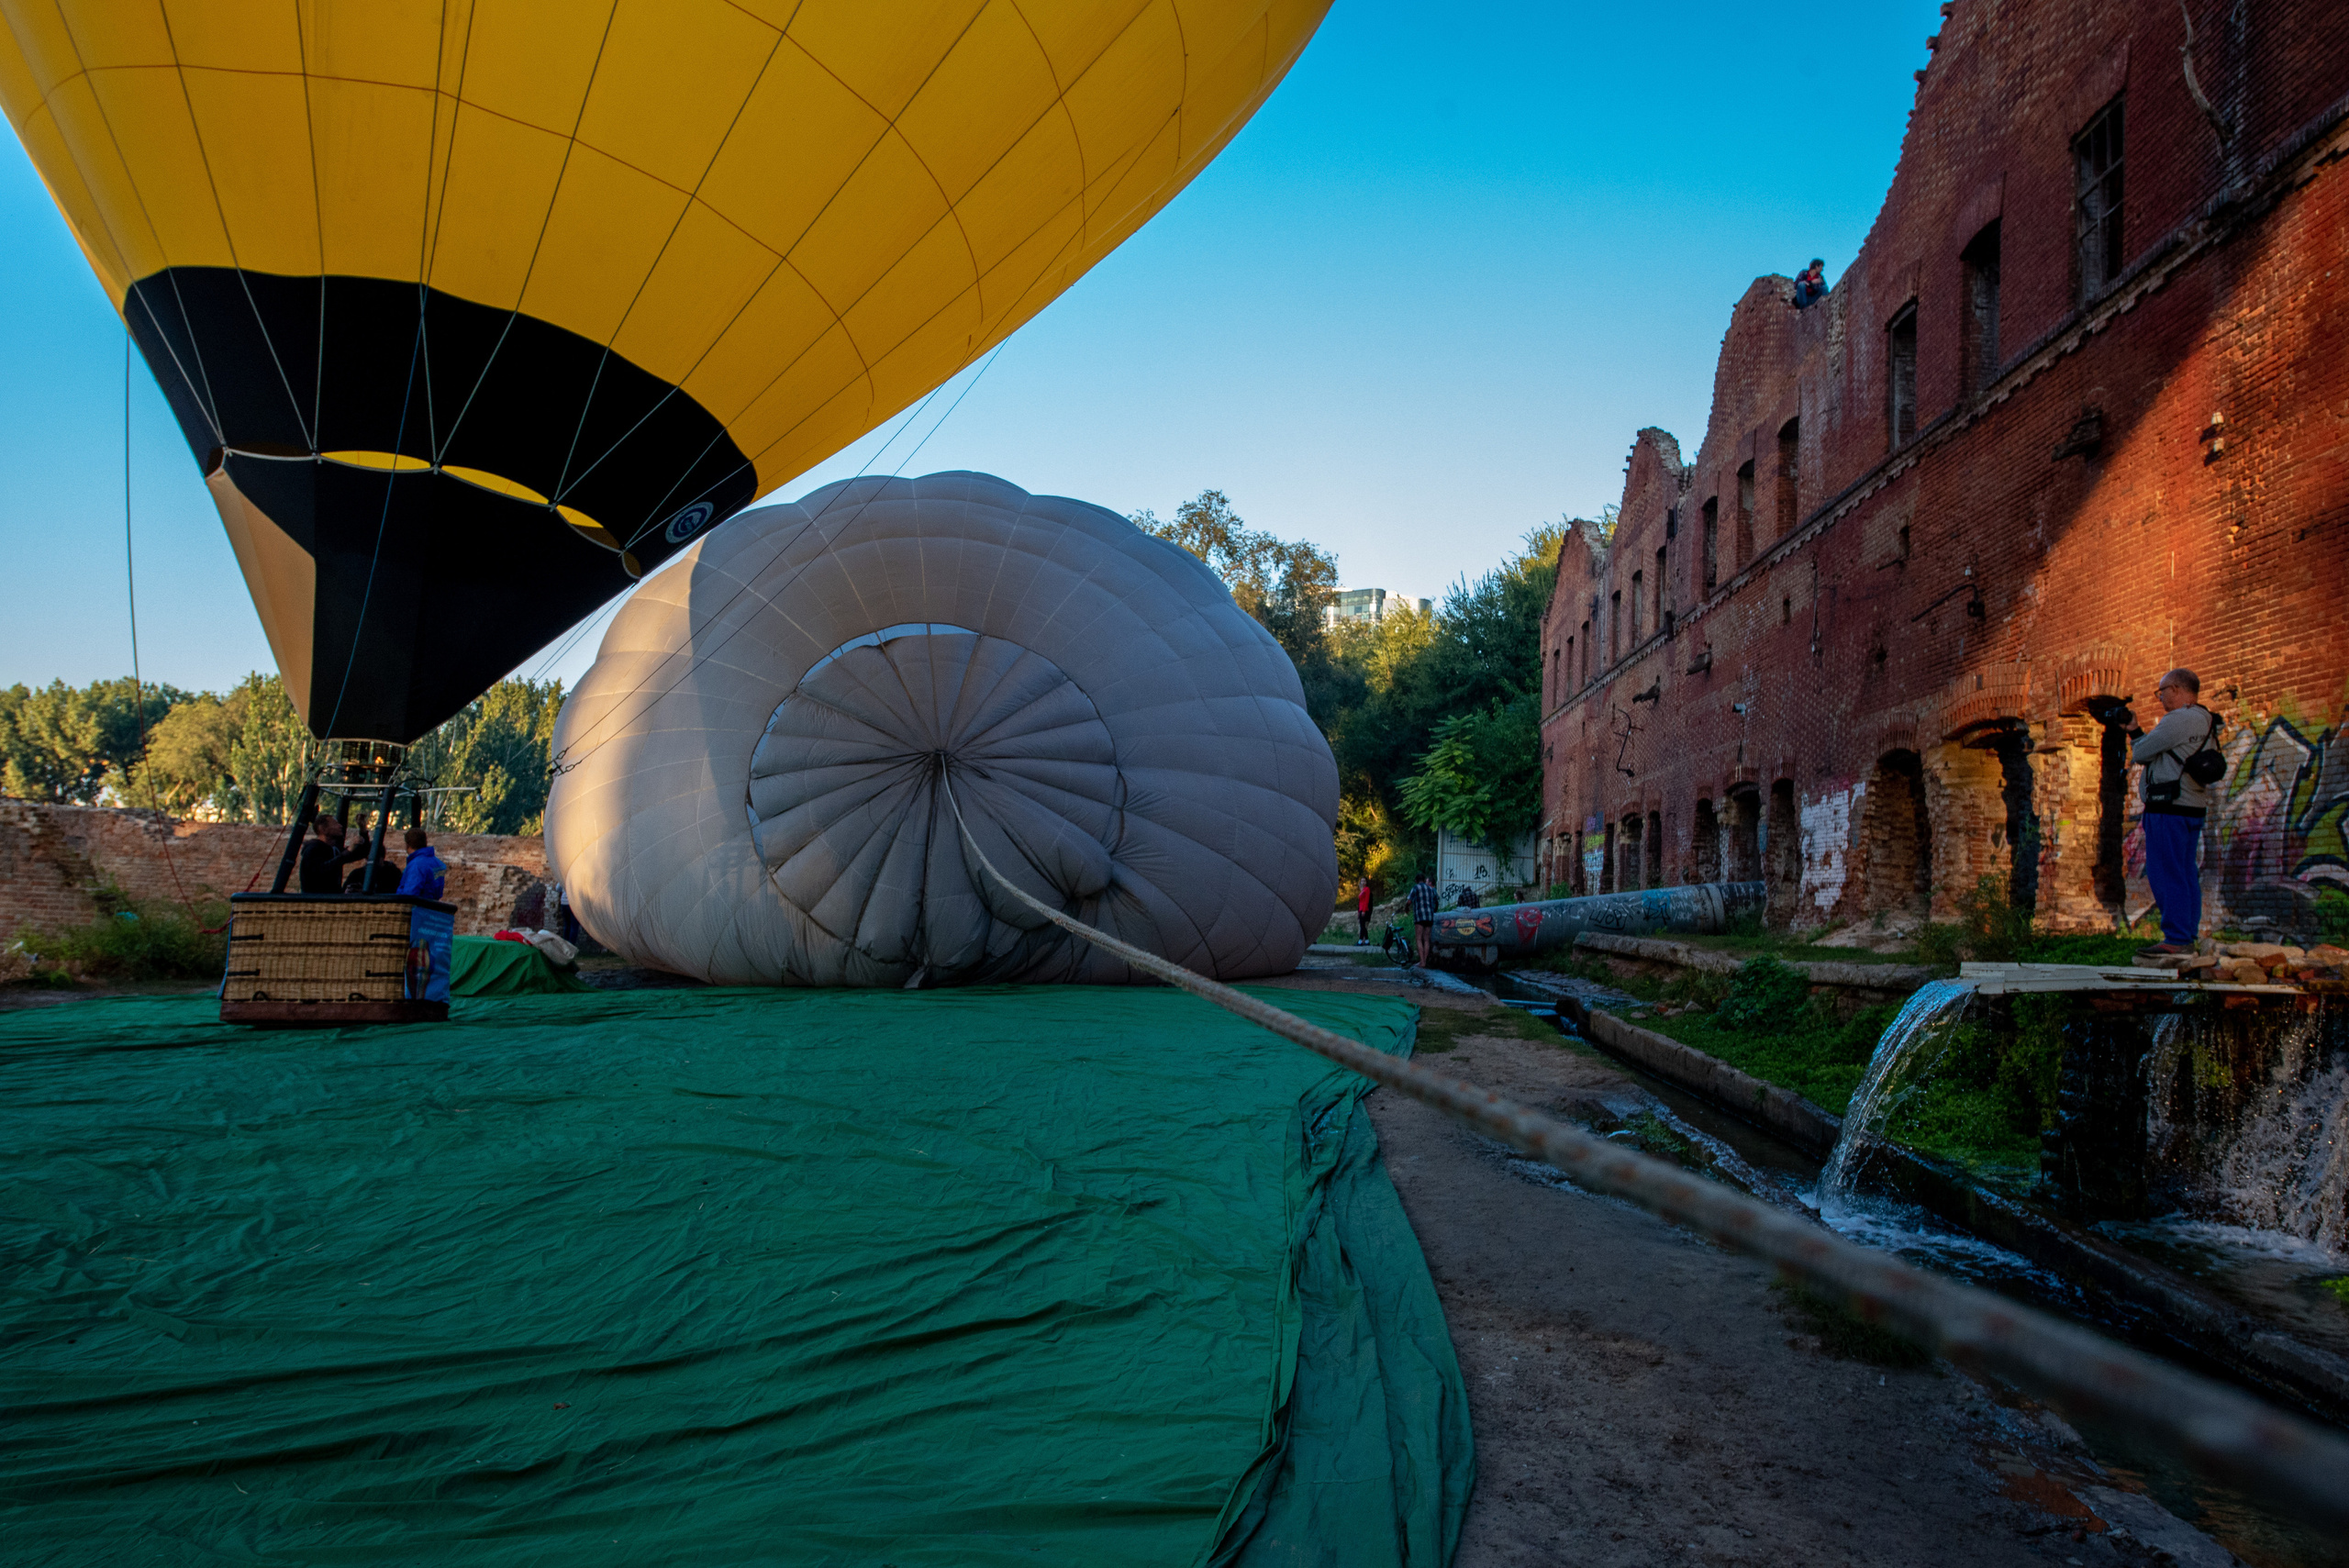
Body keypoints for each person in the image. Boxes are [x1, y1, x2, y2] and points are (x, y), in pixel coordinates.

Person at [2125, 667, 2221, 954]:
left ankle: (2177, 939)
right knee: (2184, 872)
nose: (2160, 698)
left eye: (2162, 691)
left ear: (2178, 689)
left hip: (2169, 806)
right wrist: (2137, 732)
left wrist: (2134, 734)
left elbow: (2142, 753)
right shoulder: (2205, 717)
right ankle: (2186, 935)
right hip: (2192, 807)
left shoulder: (2179, 718)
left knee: (2165, 872)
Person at [296, 814, 366, 894]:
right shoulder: (313, 849)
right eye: (335, 824)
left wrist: (363, 830)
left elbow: (361, 854)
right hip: (317, 900)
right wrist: (348, 851)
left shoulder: (333, 849)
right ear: (323, 829)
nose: (340, 826)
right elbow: (322, 870)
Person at [396, 826, 447, 901]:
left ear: (408, 845)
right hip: (431, 908)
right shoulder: (438, 863)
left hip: (418, 910)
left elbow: (409, 895)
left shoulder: (416, 865)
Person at [1407, 871, 1441, 968]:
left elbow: (1409, 901)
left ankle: (1422, 962)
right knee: (1426, 940)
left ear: (1416, 880)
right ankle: (1424, 961)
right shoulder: (1430, 889)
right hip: (1429, 916)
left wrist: (1406, 908)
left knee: (1419, 939)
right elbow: (1436, 900)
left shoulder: (1416, 888)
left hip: (1419, 916)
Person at [1354, 877, 1375, 945]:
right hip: (1360, 909)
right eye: (1361, 881)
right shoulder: (1362, 890)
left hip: (1364, 910)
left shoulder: (1367, 889)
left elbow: (1366, 901)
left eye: (1364, 881)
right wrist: (1358, 911)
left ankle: (1360, 941)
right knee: (1362, 925)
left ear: (1366, 882)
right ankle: (1367, 940)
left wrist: (1363, 911)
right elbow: (1360, 902)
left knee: (1362, 926)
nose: (1363, 882)